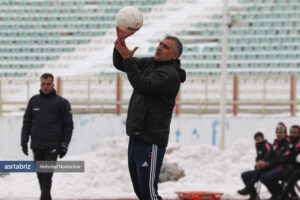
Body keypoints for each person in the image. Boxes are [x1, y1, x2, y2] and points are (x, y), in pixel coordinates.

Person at [113, 27, 186, 200]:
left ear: (175, 56)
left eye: (166, 47)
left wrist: (128, 59)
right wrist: (120, 44)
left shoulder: (170, 75)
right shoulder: (150, 63)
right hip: (136, 137)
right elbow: (121, 63)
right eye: (160, 44)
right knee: (141, 192)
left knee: (149, 193)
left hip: (151, 141)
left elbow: (144, 86)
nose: (159, 47)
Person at [21, 73, 74, 200]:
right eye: (43, 84)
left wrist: (65, 144)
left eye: (48, 84)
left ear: (53, 85)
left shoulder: (62, 103)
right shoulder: (34, 101)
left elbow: (68, 126)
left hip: (53, 146)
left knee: (46, 175)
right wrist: (24, 141)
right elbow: (27, 122)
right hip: (37, 145)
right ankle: (46, 197)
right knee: (40, 175)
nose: (45, 87)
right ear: (40, 84)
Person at [255, 124, 300, 200]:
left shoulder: (292, 143)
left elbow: (288, 156)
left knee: (291, 174)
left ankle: (283, 196)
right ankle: (284, 195)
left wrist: (268, 164)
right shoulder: (287, 144)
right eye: (291, 132)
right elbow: (282, 156)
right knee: (261, 173)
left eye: (295, 133)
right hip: (286, 166)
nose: (292, 134)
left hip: (289, 167)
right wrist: (264, 163)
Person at [238, 132, 272, 200]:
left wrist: (262, 163)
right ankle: (253, 195)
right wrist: (257, 162)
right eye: (256, 140)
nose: (258, 141)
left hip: (268, 168)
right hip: (260, 168)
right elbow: (259, 157)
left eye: (259, 139)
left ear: (263, 138)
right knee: (244, 175)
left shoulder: (267, 145)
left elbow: (269, 157)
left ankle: (248, 187)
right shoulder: (257, 145)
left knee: (258, 172)